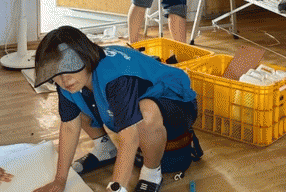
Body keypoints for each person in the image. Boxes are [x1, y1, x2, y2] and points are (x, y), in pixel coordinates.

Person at [32, 25, 198, 192]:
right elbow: (69, 126)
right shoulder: (69, 83)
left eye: (70, 69)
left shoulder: (115, 77)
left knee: (146, 112)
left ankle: (151, 173)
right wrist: (60, 180)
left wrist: (116, 188)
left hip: (178, 103)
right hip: (134, 108)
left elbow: (129, 138)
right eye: (57, 73)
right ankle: (105, 149)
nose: (65, 79)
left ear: (86, 57)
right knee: (75, 107)